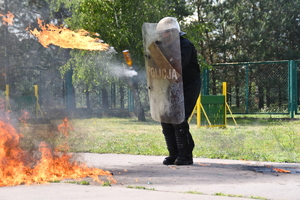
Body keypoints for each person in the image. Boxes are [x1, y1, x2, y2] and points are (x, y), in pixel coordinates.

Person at [157, 17, 201, 165]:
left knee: (179, 118)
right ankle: (174, 153)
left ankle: (185, 155)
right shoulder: (165, 47)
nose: (162, 36)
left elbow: (178, 65)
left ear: (172, 32)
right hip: (174, 85)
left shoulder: (185, 45)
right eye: (161, 33)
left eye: (165, 33)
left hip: (189, 85)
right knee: (166, 118)